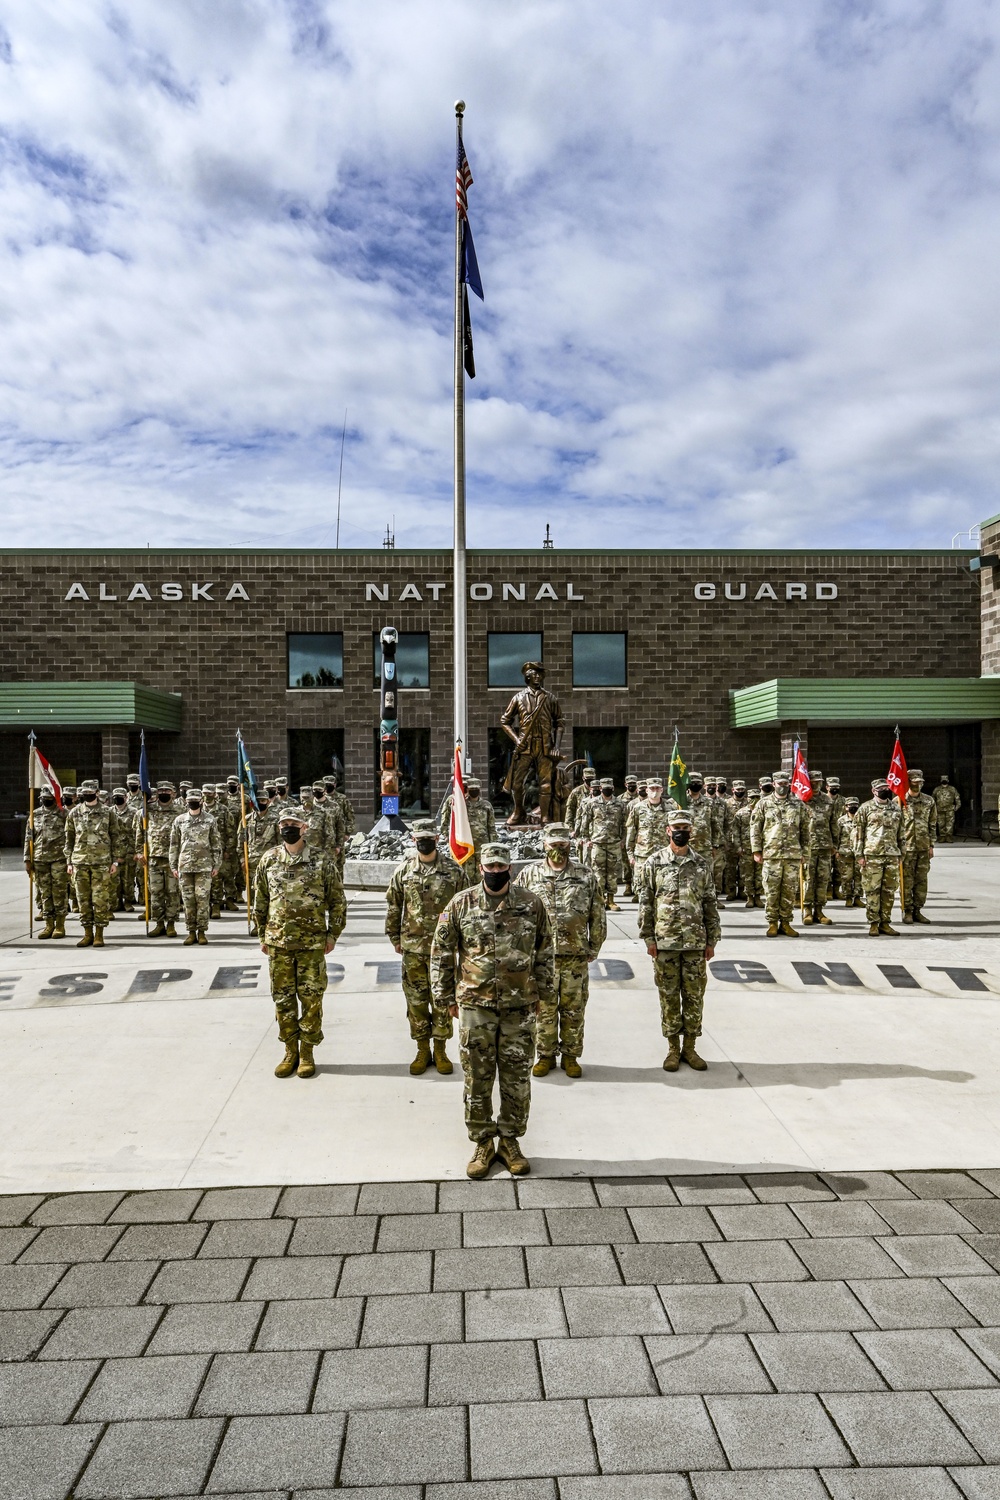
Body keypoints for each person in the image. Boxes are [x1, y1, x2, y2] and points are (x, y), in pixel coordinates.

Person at [431, 841, 554, 1179]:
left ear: (510, 869)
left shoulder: (531, 904)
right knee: (477, 1078)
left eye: (502, 867)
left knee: (516, 1078)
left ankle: (510, 1141)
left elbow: (545, 950)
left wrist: (543, 992)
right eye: (491, 867)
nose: (496, 872)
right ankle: (483, 1141)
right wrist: (445, 997)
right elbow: (441, 951)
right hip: (475, 1006)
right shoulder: (461, 903)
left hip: (520, 1006)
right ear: (480, 868)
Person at [254, 809, 347, 1079]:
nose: (288, 828)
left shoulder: (321, 859)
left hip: (312, 943)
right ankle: (289, 1051)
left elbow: (337, 901)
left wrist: (333, 935)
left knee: (311, 999)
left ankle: (307, 1052)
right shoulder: (269, 860)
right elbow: (260, 900)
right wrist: (262, 935)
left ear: (304, 828)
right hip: (279, 942)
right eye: (283, 824)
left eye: (293, 824)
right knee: (282, 1000)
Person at [517, 821, 606, 1078]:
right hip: (541, 958)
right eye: (553, 843)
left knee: (573, 1009)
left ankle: (570, 1055)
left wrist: (594, 946)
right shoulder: (529, 875)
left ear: (570, 845)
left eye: (563, 844)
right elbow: (518, 916)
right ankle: (545, 1055)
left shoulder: (585, 875)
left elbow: (597, 914)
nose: (558, 848)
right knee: (543, 1009)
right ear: (544, 844)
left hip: (575, 955)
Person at [385, 819, 470, 1075]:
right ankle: (422, 1049)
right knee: (416, 1002)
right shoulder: (404, 871)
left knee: (443, 1000)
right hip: (412, 948)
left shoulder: (454, 872)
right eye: (419, 837)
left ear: (437, 839)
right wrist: (395, 938)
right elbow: (394, 906)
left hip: (443, 950)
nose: (424, 841)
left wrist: (465, 944)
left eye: (428, 837)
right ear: (413, 840)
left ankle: (441, 1050)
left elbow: (465, 909)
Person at [638, 808, 720, 1072]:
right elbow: (645, 903)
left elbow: (710, 903)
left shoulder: (701, 864)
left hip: (695, 942)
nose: (680, 832)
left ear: (691, 832)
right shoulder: (653, 863)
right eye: (676, 828)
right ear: (667, 831)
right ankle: (673, 1048)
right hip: (665, 943)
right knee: (669, 996)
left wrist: (712, 940)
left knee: (694, 997)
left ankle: (690, 1048)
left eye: (685, 829)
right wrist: (649, 937)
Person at [499, 660, 566, 825]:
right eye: (533, 674)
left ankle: (544, 816)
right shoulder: (519, 698)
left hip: (545, 746)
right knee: (516, 783)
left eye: (539, 674)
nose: (537, 677)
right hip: (525, 746)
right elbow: (505, 721)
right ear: (527, 677)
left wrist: (556, 746)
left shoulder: (550, 698)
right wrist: (517, 740)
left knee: (545, 782)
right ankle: (518, 811)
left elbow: (560, 722)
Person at [64, 780, 128, 947]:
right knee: (83, 899)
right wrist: (69, 861)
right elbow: (69, 839)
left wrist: (115, 860)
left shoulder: (108, 813)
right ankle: (87, 933)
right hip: (80, 861)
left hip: (102, 862)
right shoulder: (75, 813)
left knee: (100, 899)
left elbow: (116, 836)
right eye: (84, 792)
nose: (87, 794)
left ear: (97, 792)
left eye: (90, 791)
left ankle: (99, 933)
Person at [750, 770, 809, 936]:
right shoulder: (763, 804)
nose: (782, 786)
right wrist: (756, 850)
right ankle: (772, 922)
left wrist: (806, 853)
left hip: (792, 855)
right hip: (771, 854)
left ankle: (786, 923)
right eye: (779, 784)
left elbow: (805, 830)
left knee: (789, 891)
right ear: (773, 784)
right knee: (771, 890)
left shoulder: (798, 805)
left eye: (785, 784)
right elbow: (755, 828)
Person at [170, 787, 222, 945]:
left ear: (201, 801)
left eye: (195, 801)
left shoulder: (210, 820)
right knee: (188, 900)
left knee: (202, 899)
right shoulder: (179, 821)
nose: (192, 803)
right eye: (190, 801)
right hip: (185, 866)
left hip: (204, 866)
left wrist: (216, 864)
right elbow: (174, 845)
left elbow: (216, 844)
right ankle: (190, 931)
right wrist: (173, 866)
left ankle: (202, 932)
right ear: (186, 802)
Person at [853, 778, 904, 936]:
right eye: (881, 788)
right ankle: (874, 923)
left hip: (891, 854)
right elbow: (857, 832)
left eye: (886, 788)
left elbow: (901, 832)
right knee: (872, 890)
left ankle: (885, 922)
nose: (885, 790)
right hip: (872, 855)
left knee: (888, 891)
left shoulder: (895, 807)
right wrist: (859, 854)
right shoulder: (865, 808)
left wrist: (902, 852)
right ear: (874, 791)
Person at [138, 781, 182, 937]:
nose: (164, 792)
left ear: (173, 793)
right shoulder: (148, 810)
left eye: (167, 790)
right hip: (154, 857)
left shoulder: (180, 811)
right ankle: (159, 923)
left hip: (173, 858)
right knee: (156, 892)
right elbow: (140, 833)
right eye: (161, 790)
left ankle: (171, 924)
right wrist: (139, 852)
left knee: (172, 892)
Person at [24, 784, 68, 939]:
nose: (45, 801)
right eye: (43, 799)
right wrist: (27, 859)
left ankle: (60, 925)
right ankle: (49, 925)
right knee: (45, 893)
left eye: (48, 799)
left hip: (59, 859)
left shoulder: (64, 814)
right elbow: (28, 838)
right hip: (40, 858)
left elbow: (70, 837)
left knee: (59, 892)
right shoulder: (34, 814)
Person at [577, 777, 625, 910]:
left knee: (613, 873)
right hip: (597, 843)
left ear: (613, 788)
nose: (607, 790)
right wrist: (586, 839)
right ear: (600, 789)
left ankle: (611, 900)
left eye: (609, 787)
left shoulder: (620, 804)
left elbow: (625, 824)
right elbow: (585, 823)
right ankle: (600, 899)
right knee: (598, 872)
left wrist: (623, 840)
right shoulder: (592, 803)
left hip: (614, 843)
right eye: (604, 788)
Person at [625, 775, 672, 903]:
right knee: (643, 893)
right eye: (652, 788)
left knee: (663, 891)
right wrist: (630, 855)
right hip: (642, 855)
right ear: (647, 790)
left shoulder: (670, 808)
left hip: (663, 855)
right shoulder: (638, 808)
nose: (654, 791)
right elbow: (631, 832)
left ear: (662, 790)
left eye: (657, 788)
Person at [901, 769, 937, 924]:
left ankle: (918, 910)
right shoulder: (900, 801)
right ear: (908, 782)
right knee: (907, 881)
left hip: (923, 847)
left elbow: (933, 823)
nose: (918, 785)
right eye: (914, 782)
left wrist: (931, 845)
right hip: (906, 848)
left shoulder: (929, 801)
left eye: (920, 782)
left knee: (921, 880)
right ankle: (907, 911)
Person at [802, 769, 836, 926]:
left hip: (824, 846)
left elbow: (834, 824)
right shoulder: (802, 800)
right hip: (808, 847)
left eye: (819, 782)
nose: (816, 784)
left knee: (823, 879)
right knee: (809, 879)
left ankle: (819, 910)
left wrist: (835, 844)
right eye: (813, 782)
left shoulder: (828, 801)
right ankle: (807, 910)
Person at [437, 777, 498, 864]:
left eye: (476, 789)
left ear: (479, 789)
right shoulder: (460, 804)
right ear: (468, 789)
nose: (474, 790)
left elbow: (491, 827)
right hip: (464, 843)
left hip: (482, 843)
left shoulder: (486, 805)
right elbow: (445, 820)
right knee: (465, 870)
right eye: (471, 789)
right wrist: (446, 835)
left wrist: (493, 843)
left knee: (482, 870)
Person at [734, 787, 761, 907]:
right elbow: (735, 832)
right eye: (752, 797)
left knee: (759, 874)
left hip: (760, 848)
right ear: (747, 798)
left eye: (757, 797)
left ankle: (758, 896)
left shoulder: (762, 812)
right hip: (746, 848)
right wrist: (738, 847)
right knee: (748, 874)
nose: (754, 800)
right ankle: (750, 897)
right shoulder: (740, 813)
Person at [835, 796, 862, 907]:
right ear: (846, 807)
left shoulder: (861, 819)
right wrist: (836, 850)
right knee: (846, 877)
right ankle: (848, 898)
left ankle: (857, 897)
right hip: (844, 852)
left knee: (859, 876)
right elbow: (836, 836)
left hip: (859, 852)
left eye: (855, 805)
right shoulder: (841, 821)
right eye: (850, 805)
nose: (853, 807)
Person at [932, 775, 960, 842]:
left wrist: (958, 806)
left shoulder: (952, 789)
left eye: (945, 779)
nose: (944, 780)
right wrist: (933, 807)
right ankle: (942, 836)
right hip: (939, 809)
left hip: (950, 809)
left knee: (950, 824)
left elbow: (957, 797)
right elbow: (933, 798)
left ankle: (949, 837)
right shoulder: (937, 789)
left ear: (948, 780)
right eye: (943, 779)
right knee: (941, 823)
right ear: (941, 780)